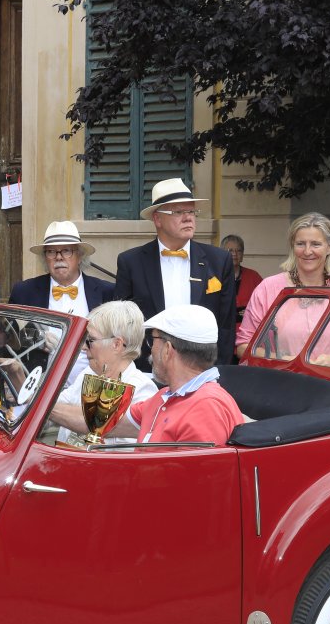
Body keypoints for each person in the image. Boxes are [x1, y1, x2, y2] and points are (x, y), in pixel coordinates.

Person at [112, 178, 237, 369]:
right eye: (178, 212)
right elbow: (121, 326)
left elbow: (226, 325)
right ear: (157, 219)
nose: (188, 218)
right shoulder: (131, 262)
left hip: (202, 370)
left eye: (191, 211)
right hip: (147, 371)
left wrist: (216, 370)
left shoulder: (219, 260)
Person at [235, 212, 330, 372]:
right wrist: (285, 360)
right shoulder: (268, 289)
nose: (307, 251)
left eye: (315, 244)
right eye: (300, 244)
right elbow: (243, 346)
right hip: (279, 383)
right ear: (293, 246)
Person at [106, 304, 246, 444]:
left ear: (167, 350)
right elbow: (106, 423)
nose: (151, 350)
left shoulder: (205, 408)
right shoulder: (165, 396)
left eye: (152, 340)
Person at [47, 300, 159, 442]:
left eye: (90, 340)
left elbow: (124, 451)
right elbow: (49, 415)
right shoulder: (87, 373)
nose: (84, 347)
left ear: (117, 344)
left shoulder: (142, 391)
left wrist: (47, 408)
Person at [9, 221, 113, 318]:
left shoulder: (107, 292)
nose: (58, 257)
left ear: (80, 256)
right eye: (51, 251)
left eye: (66, 250)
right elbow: (11, 330)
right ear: (45, 258)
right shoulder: (23, 292)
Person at [222, 234, 265, 343]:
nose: (234, 254)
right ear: (222, 253)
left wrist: (251, 311)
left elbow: (266, 303)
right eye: (230, 250)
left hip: (248, 334)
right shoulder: (215, 276)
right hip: (223, 333)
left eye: (239, 251)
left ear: (242, 255)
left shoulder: (253, 276)